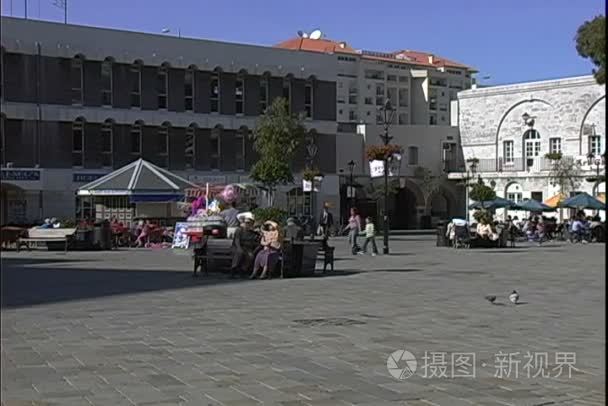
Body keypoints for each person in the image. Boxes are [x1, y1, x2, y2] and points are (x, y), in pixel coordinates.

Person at [230, 212, 260, 278]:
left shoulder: (254, 233)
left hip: (247, 248)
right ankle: (233, 269)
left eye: (250, 223)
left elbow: (257, 242)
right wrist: (239, 248)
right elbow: (236, 241)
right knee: (239, 253)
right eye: (246, 223)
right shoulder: (239, 230)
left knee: (250, 255)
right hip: (237, 246)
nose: (248, 224)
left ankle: (243, 270)